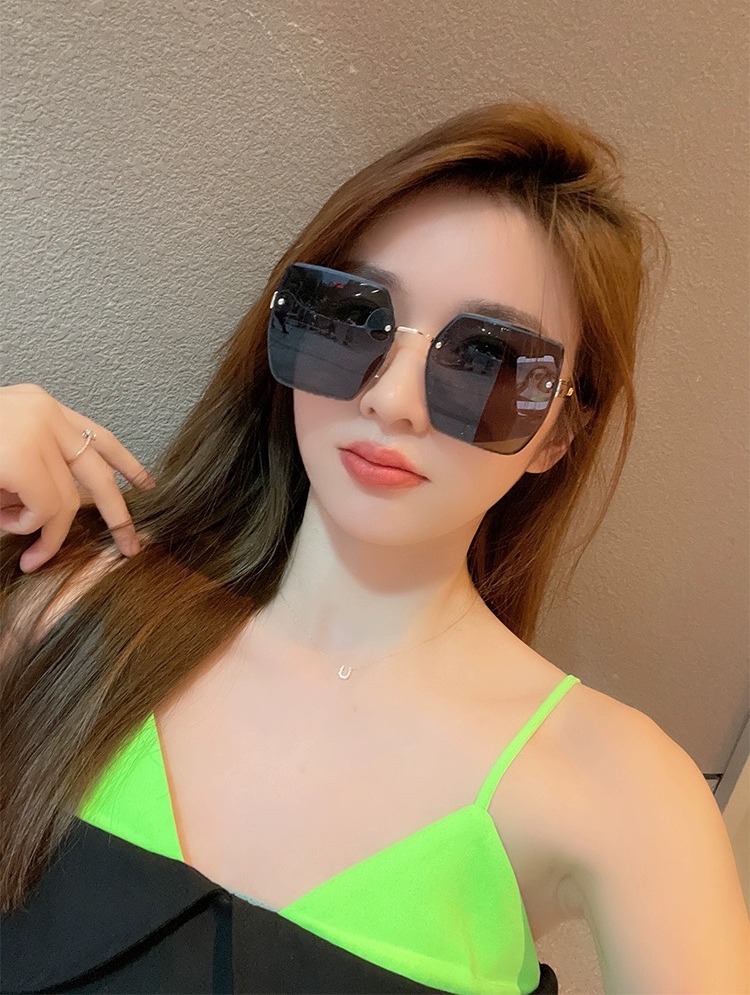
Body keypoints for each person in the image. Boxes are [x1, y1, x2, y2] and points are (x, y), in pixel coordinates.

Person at [1, 102, 748, 995]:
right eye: (354, 319)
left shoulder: (623, 791)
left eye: (489, 362)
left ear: (557, 435)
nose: (392, 400)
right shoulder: (69, 613)